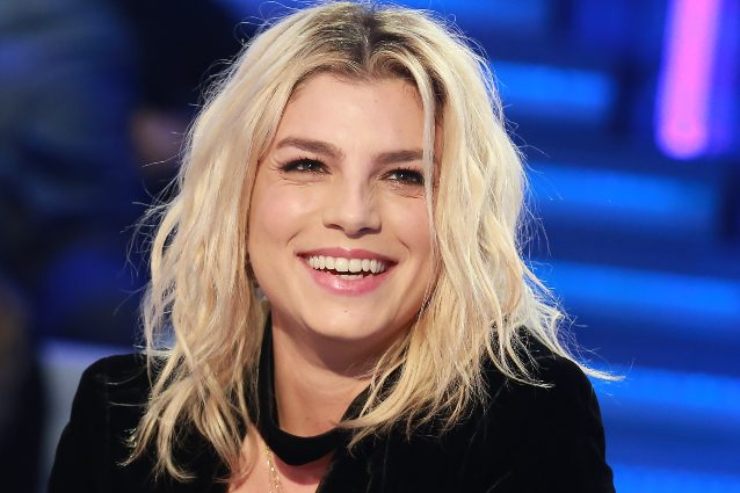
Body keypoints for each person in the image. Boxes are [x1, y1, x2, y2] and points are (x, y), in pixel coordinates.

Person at [49, 2, 616, 491]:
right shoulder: (121, 419)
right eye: (307, 165)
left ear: (456, 214)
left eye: (405, 176)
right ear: (238, 195)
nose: (353, 215)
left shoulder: (523, 423)